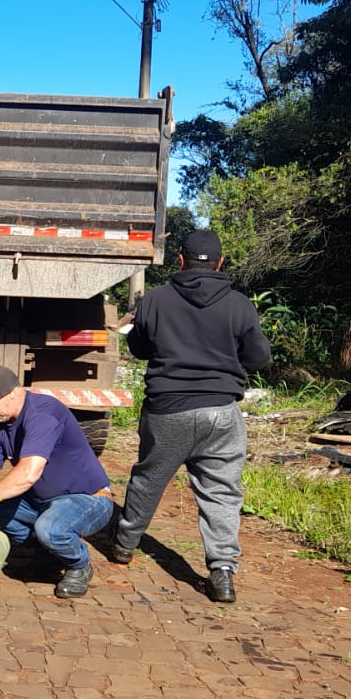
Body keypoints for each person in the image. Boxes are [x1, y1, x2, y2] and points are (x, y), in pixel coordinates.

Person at [109, 229, 271, 603]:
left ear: (180, 261)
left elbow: (139, 348)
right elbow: (258, 357)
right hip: (221, 412)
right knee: (221, 492)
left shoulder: (156, 300)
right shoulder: (240, 304)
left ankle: (124, 546)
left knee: (149, 480)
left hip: (168, 409)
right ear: (221, 262)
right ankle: (223, 571)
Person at [0, 364, 116, 599]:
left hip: (87, 498)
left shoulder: (43, 414)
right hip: (39, 501)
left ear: (14, 392)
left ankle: (79, 565)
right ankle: (48, 553)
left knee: (50, 529)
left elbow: (28, 473)